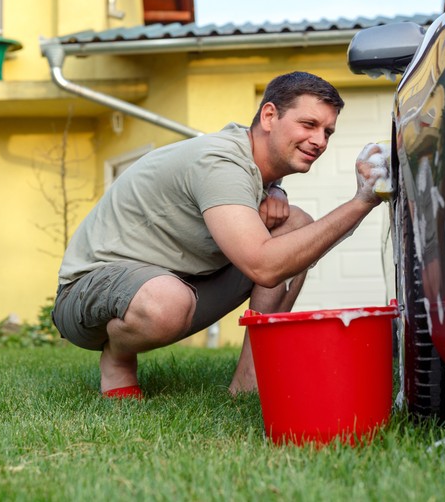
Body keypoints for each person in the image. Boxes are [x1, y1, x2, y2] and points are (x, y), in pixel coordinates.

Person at [53, 71, 388, 398]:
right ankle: (119, 358)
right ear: (269, 115)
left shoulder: (257, 163)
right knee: (168, 302)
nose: (320, 141)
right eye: (309, 125)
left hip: (176, 279)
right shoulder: (220, 162)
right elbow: (263, 267)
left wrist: (276, 192)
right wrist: (363, 201)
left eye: (328, 131)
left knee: (297, 225)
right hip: (89, 291)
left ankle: (249, 382)